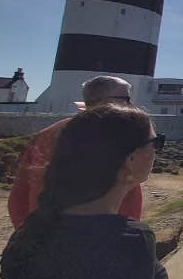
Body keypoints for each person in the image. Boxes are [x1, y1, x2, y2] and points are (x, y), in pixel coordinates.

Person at [0, 103, 168, 279]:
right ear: (131, 159)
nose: (157, 150)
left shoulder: (31, 230)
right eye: (156, 142)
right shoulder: (130, 240)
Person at [8, 76, 143, 229]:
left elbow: (19, 195)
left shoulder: (47, 134)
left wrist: (25, 233)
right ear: (103, 100)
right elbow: (129, 196)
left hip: (45, 237)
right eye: (126, 99)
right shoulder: (119, 139)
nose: (131, 105)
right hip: (100, 239)